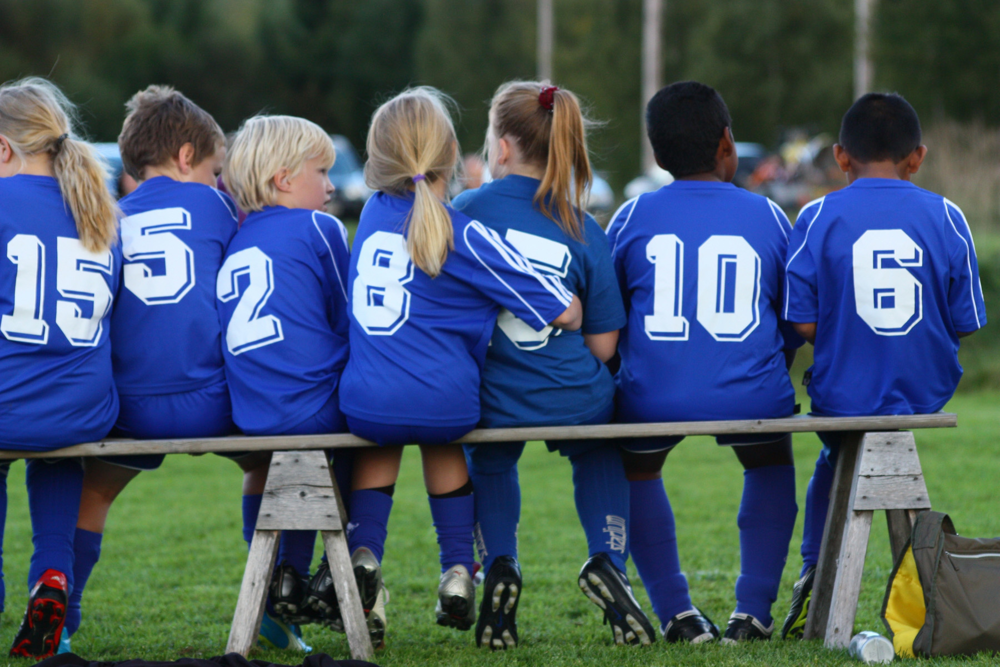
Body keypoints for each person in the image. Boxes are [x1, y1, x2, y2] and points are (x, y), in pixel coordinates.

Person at [339, 87, 582, 637]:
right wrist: (575, 305)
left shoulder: (372, 218)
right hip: (445, 400)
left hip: (365, 401)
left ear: (379, 161)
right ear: (452, 151)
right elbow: (556, 306)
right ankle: (455, 570)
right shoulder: (463, 232)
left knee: (386, 438)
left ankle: (364, 554)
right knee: (440, 437)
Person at [455, 81, 654, 649]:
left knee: (490, 459)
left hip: (492, 395)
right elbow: (605, 346)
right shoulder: (581, 225)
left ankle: (500, 562)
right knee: (597, 445)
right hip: (573, 391)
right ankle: (608, 560)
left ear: (502, 148)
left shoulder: (462, 211)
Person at [780, 92, 986, 639]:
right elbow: (967, 320)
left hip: (844, 392)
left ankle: (811, 568)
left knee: (836, 450)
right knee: (849, 447)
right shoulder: (948, 214)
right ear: (917, 157)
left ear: (840, 156)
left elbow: (800, 324)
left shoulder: (817, 214)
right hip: (926, 389)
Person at [606, 81, 805, 644]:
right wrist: (773, 364)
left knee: (638, 468)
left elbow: (609, 313)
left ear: (656, 153)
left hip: (653, 395)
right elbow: (792, 316)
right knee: (768, 462)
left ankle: (677, 613)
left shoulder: (631, 215)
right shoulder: (768, 214)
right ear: (726, 143)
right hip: (751, 393)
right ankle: (753, 611)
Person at [64, 85, 241, 653]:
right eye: (215, 169)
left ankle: (61, 625)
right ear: (188, 157)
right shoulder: (216, 206)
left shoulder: (107, 218)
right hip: (211, 400)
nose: (218, 181)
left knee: (93, 496)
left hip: (129, 406)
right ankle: (272, 605)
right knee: (275, 468)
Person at [219, 114, 358, 649]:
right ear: (283, 178)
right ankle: (306, 574)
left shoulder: (236, 237)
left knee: (289, 459)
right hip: (314, 405)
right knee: (374, 422)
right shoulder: (320, 228)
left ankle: (278, 581)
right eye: (320, 171)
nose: (329, 185)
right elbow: (350, 321)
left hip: (252, 412)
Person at [0, 77, 121, 660]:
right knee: (57, 457)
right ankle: (51, 577)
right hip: (82, 409)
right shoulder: (98, 208)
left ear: (3, 149)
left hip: (8, 404)